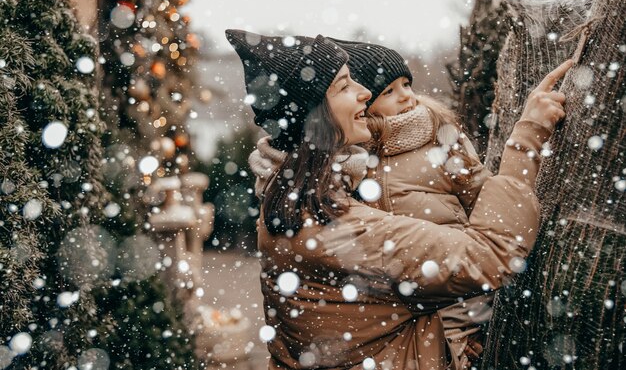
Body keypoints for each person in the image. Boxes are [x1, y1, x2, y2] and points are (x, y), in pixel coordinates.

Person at [226, 28, 571, 370]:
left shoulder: (292, 200)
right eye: (344, 86)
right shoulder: (338, 228)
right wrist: (526, 140)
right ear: (315, 116)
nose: (364, 93)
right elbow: (488, 256)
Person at [330, 38, 494, 370]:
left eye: (406, 84)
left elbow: (483, 199)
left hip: (456, 292)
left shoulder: (440, 138)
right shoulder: (353, 159)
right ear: (365, 101)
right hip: (393, 314)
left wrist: (469, 328)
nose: (406, 95)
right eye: (388, 91)